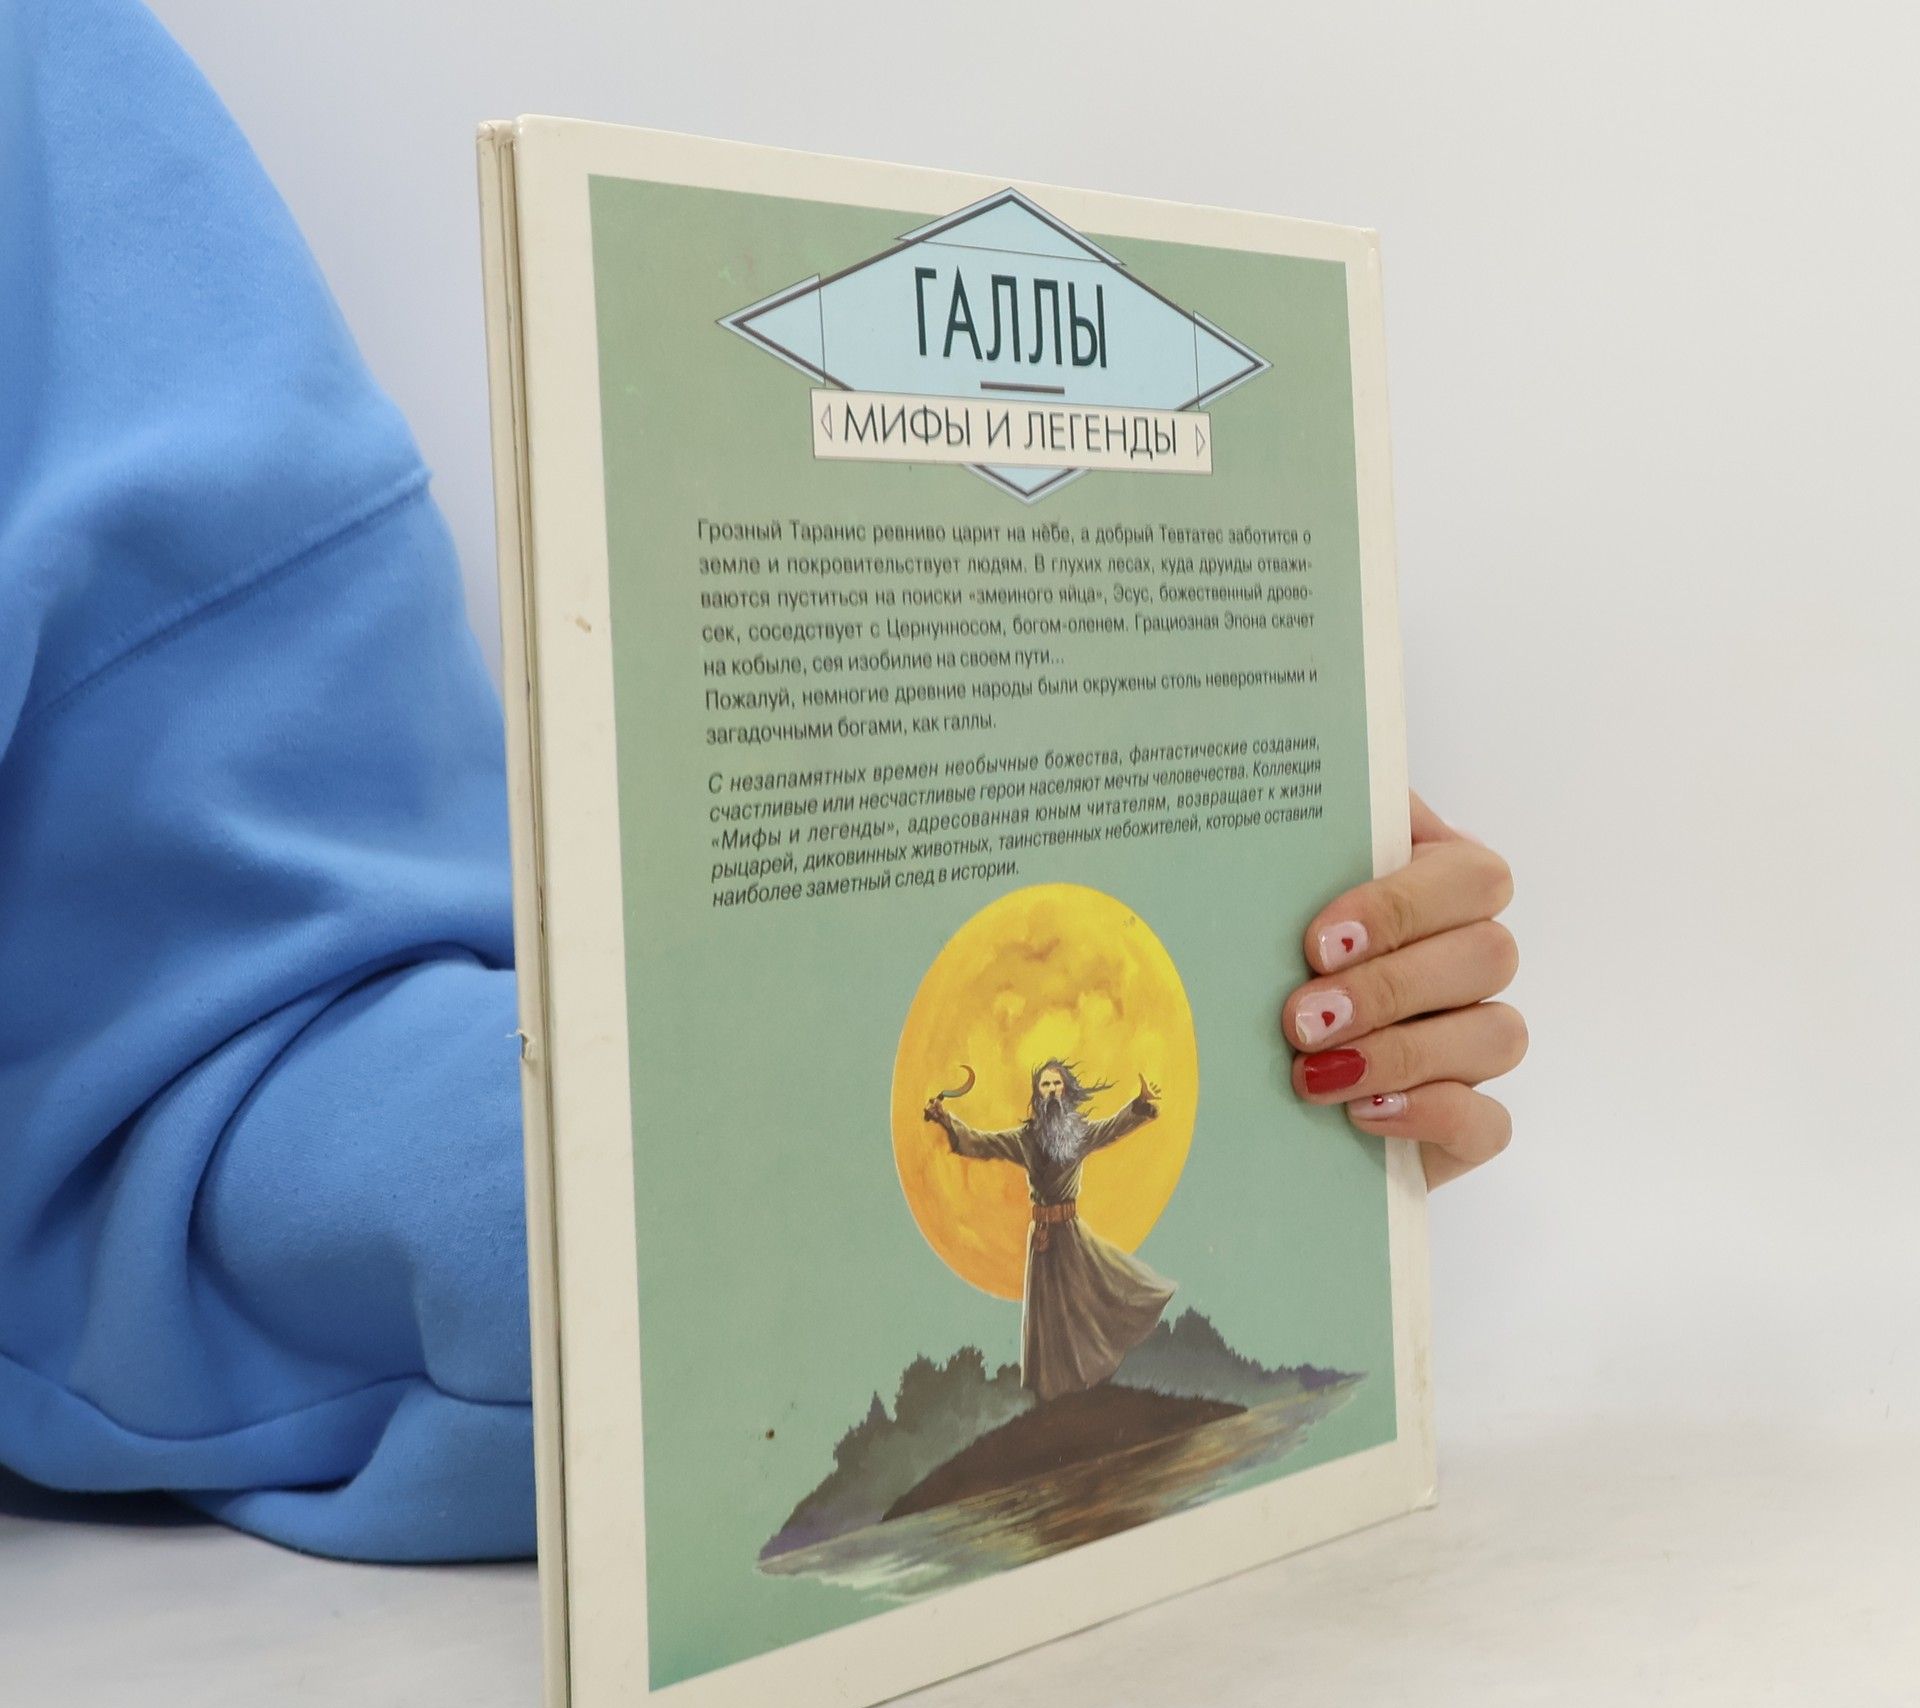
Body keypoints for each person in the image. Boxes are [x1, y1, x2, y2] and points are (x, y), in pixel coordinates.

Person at [0, 0, 1524, 1563]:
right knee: (1054, 1341)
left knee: (1065, 1359)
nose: (1059, 1096)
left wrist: (1271, 1048)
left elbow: (241, 1023)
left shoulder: (52, 107)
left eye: (1058, 1092)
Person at [927, 1060, 1177, 1398]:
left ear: (1067, 1091)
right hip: (1042, 1240)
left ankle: (1087, 1384)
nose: (1052, 1091)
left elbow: (1113, 1128)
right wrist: (946, 1119)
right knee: (1045, 1318)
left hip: (1070, 1237)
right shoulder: (1026, 1139)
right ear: (1038, 1095)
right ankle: (1051, 1394)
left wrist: (1141, 1102)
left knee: (1086, 1306)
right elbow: (982, 1143)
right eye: (1045, 1086)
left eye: (1057, 1084)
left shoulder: (1080, 1134)